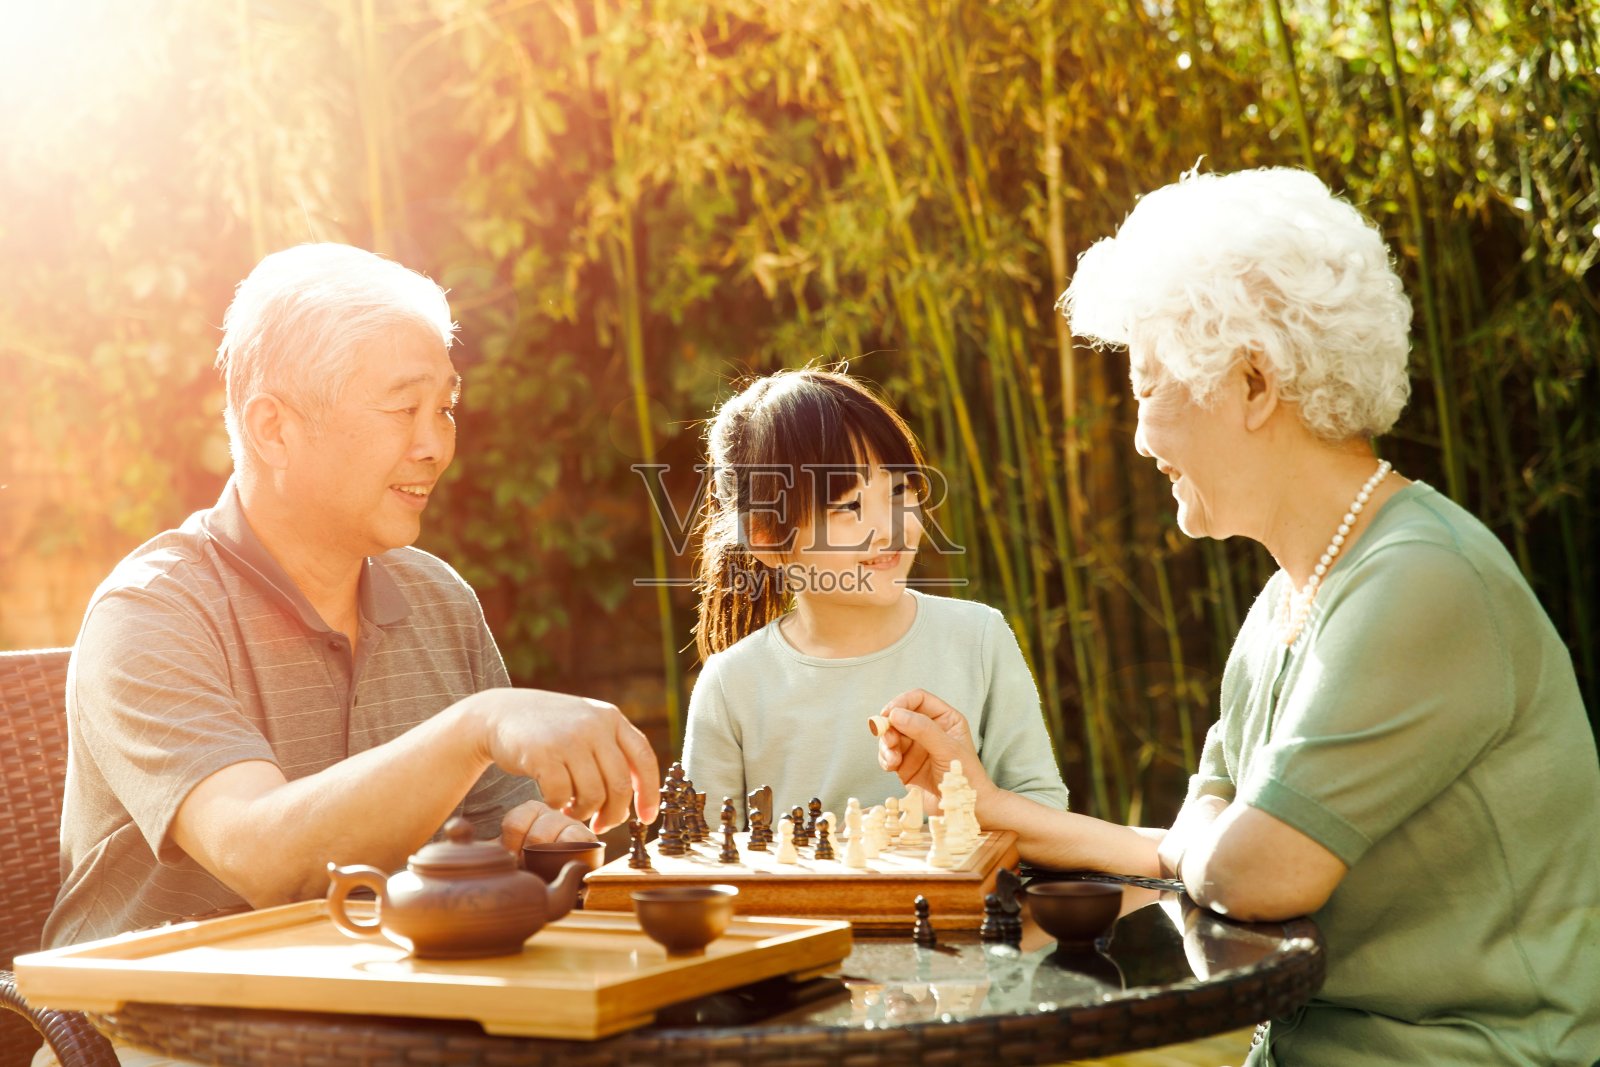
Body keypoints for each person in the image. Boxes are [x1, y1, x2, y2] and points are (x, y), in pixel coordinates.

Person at [876, 169, 1600, 1064]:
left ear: (1254, 381)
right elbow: (1187, 847)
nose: (1138, 436)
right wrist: (985, 804)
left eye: (1148, 385)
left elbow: (1251, 871)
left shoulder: (1422, 581)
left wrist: (1213, 836)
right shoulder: (1287, 598)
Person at [42, 245, 659, 1016]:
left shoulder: (438, 598)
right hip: (156, 1038)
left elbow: (508, 834)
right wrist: (477, 724)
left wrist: (554, 843)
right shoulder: (151, 613)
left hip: (383, 1019)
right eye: (404, 409)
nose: (436, 443)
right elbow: (263, 855)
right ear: (274, 427)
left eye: (446, 408)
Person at [680, 368, 1068, 824]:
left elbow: (1043, 806)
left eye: (900, 490)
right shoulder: (733, 684)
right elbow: (705, 854)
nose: (890, 529)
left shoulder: (978, 638)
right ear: (767, 537)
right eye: (848, 506)